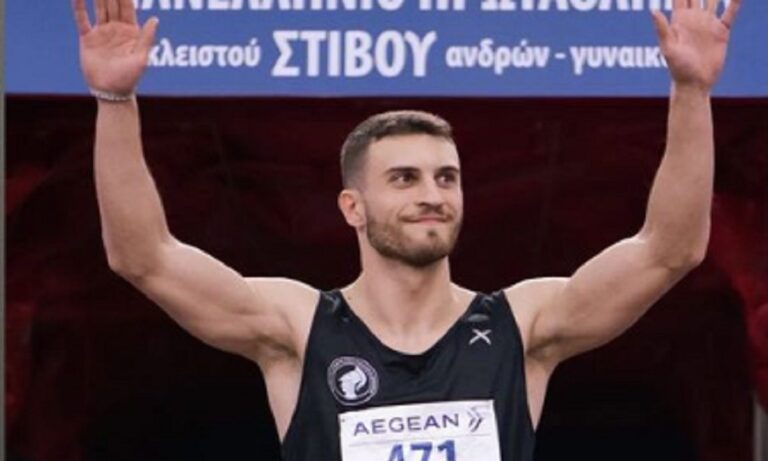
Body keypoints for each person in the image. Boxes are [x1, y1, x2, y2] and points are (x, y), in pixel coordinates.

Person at [72, 0, 741, 459]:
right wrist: (115, 99)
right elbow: (144, 257)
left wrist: (691, 92)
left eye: (446, 178)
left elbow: (669, 250)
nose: (432, 196)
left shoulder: (524, 325)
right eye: (404, 178)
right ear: (351, 207)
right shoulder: (297, 328)